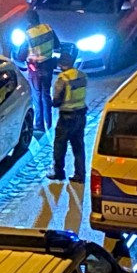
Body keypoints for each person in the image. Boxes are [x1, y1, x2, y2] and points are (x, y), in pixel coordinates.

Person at [49, 51, 88, 182]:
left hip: (66, 117)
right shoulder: (82, 75)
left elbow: (56, 101)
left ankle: (59, 171)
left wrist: (51, 101)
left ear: (61, 64)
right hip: (81, 115)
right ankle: (80, 174)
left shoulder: (62, 79)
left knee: (60, 145)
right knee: (78, 146)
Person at [22, 9, 58, 133]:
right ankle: (49, 123)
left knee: (37, 96)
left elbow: (20, 56)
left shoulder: (28, 34)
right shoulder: (48, 28)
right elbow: (57, 45)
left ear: (28, 20)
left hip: (35, 69)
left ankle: (39, 125)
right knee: (46, 95)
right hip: (48, 66)